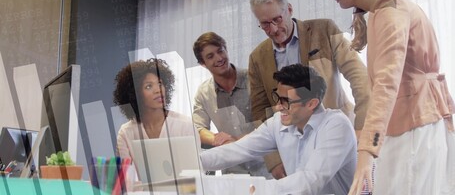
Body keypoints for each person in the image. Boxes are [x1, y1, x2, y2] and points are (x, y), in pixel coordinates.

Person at [322, 0, 455, 194]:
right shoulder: (381, 11)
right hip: (410, 121)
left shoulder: (390, 13)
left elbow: (386, 84)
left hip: (413, 122)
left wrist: (366, 150)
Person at [248, 0, 370, 179]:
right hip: (294, 150)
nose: (273, 29)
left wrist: (363, 126)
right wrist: (273, 160)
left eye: (277, 19)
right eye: (264, 24)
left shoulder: (325, 30)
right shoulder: (257, 57)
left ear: (289, 9)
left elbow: (359, 77)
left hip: (336, 138)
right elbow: (259, 110)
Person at [200, 64, 357, 194]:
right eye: (278, 98)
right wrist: (196, 162)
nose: (278, 106)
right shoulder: (279, 123)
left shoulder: (336, 126)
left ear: (311, 103)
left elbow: (310, 180)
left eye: (286, 101)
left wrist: (257, 189)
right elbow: (238, 149)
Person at [192, 32, 270, 178]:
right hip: (233, 173)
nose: (219, 58)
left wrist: (236, 142)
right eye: (210, 56)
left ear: (226, 49)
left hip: (267, 168)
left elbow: (271, 121)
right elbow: (197, 128)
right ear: (203, 64)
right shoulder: (203, 93)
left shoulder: (255, 79)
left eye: (220, 51)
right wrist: (216, 138)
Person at [114, 58, 196, 159]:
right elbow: (126, 173)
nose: (158, 90)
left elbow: (195, 170)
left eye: (160, 84)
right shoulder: (126, 132)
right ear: (135, 94)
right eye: (149, 86)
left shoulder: (185, 125)